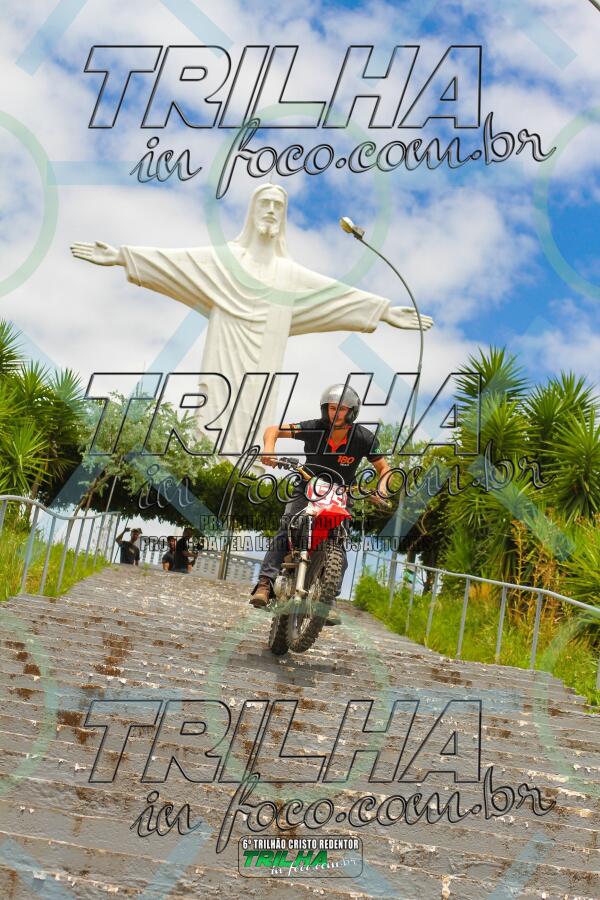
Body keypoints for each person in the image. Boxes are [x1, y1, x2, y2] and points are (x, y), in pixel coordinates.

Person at [70, 184, 433, 453]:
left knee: (254, 430)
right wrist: (122, 257)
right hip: (222, 359)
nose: (271, 210)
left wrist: (383, 311)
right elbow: (176, 262)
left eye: (278, 206)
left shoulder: (289, 277)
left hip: (264, 368)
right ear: (252, 211)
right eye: (265, 203)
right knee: (211, 428)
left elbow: (334, 295)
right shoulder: (224, 262)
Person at [251, 384, 392, 625]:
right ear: (325, 409)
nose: (335, 414)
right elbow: (273, 430)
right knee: (287, 525)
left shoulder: (364, 438)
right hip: (307, 486)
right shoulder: (313, 428)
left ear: (352, 411)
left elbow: (384, 468)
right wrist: (269, 449)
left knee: (339, 539)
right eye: (332, 408)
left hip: (341, 493)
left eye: (342, 409)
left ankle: (328, 599)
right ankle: (265, 583)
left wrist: (382, 488)